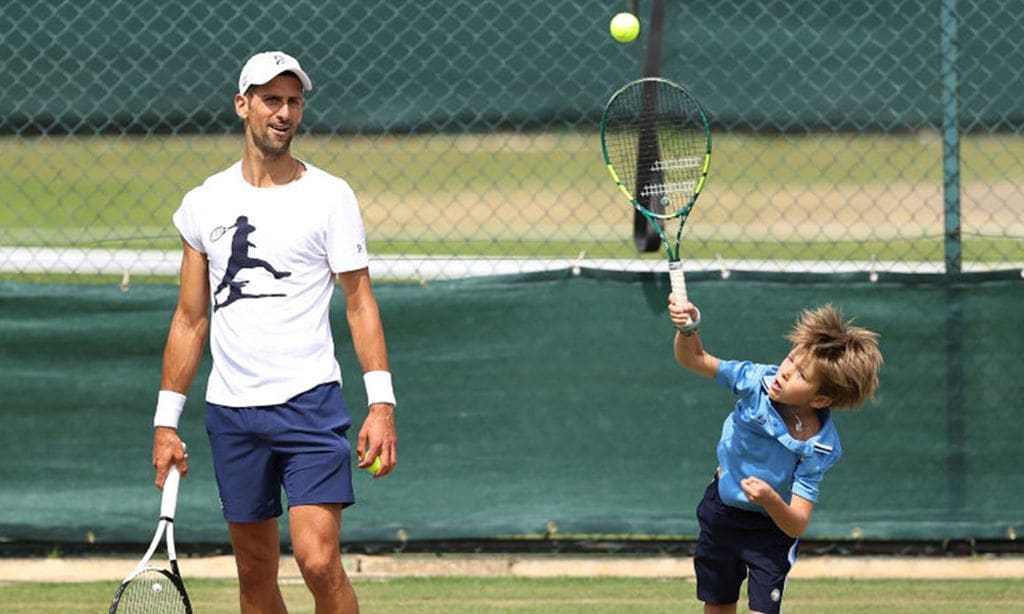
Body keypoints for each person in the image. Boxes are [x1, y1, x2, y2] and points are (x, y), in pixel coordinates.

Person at [151, 50, 398, 613]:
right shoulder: (204, 203)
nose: (284, 112)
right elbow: (190, 318)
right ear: (243, 106)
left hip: (311, 404)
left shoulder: (331, 196)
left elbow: (360, 304)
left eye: (293, 101)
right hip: (233, 414)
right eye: (271, 100)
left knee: (316, 559)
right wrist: (166, 422)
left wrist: (381, 404)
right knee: (255, 573)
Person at [667, 298, 881, 614]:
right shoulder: (755, 381)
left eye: (801, 376)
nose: (785, 372)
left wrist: (770, 499)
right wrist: (689, 329)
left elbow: (796, 524)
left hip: (770, 530)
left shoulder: (819, 447)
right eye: (790, 360)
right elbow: (694, 359)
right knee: (718, 604)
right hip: (721, 513)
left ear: (821, 400)